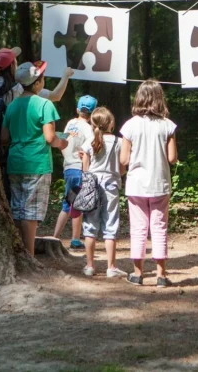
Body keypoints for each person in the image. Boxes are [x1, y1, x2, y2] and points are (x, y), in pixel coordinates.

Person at [1, 61, 66, 255]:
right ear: (37, 83)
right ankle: (28, 255)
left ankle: (17, 251)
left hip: (15, 162)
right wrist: (63, 143)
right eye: (42, 79)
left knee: (17, 209)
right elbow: (50, 137)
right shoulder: (45, 104)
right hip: (37, 163)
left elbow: (4, 137)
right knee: (30, 213)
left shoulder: (12, 105)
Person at [119, 79, 178, 287]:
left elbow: (124, 159)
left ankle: (138, 274)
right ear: (159, 99)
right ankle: (161, 276)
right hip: (160, 184)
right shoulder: (167, 126)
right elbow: (172, 158)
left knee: (138, 228)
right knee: (159, 227)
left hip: (135, 185)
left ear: (139, 98)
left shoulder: (130, 125)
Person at [78, 107, 127, 278]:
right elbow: (122, 170)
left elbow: (85, 169)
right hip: (111, 187)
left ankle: (90, 266)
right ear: (111, 123)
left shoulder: (89, 143)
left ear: (93, 124)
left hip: (91, 187)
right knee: (110, 224)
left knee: (90, 226)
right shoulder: (120, 143)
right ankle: (111, 267)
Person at [52, 94, 97, 250]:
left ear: (77, 109)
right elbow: (92, 144)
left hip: (68, 168)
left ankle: (54, 237)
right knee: (77, 204)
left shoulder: (70, 123)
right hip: (79, 169)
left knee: (67, 203)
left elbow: (63, 141)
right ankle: (75, 240)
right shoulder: (88, 128)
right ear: (93, 113)